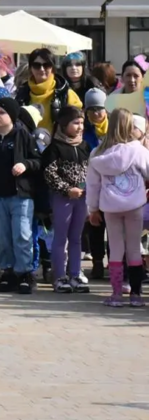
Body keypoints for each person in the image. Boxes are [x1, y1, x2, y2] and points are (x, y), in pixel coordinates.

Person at [0, 97, 41, 294]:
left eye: (1, 113)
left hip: (20, 195)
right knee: (2, 236)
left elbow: (37, 160)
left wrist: (25, 165)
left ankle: (25, 273)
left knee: (22, 234)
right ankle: (8, 271)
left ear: (11, 115)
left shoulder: (22, 134)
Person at [86, 108, 149, 307]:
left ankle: (116, 295)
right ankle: (137, 295)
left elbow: (92, 184)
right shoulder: (139, 150)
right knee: (134, 249)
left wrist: (92, 209)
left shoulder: (97, 153)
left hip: (110, 206)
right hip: (135, 205)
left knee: (115, 248)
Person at [42, 105, 91, 294]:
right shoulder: (55, 148)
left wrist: (88, 189)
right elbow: (49, 174)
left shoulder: (85, 146)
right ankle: (60, 276)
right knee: (60, 237)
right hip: (63, 198)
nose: (79, 127)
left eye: (81, 123)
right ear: (63, 124)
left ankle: (75, 274)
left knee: (77, 237)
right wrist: (67, 189)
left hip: (82, 198)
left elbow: (92, 169)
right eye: (75, 123)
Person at [15, 47, 82, 130]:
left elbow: (78, 123)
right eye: (37, 65)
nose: (42, 69)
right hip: (28, 141)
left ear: (52, 68)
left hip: (57, 141)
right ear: (30, 68)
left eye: (46, 65)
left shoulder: (65, 93)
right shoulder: (22, 92)